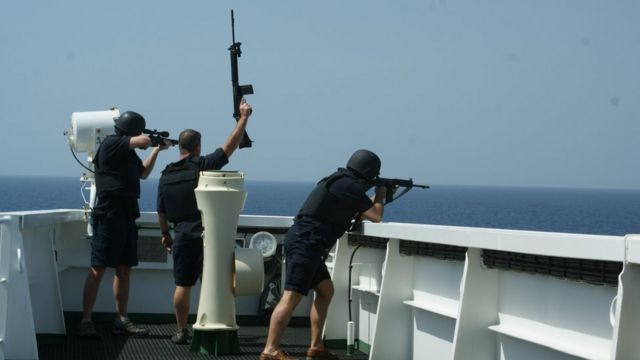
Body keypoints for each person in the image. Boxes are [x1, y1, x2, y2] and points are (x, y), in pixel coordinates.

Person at [261, 149, 387, 360]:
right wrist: (382, 194)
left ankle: (316, 347)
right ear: (369, 174)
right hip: (306, 244)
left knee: (326, 290)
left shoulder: (340, 182)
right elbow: (375, 215)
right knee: (291, 297)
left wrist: (379, 195)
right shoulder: (350, 186)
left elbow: (361, 208)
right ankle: (270, 350)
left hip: (307, 242)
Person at [156, 99, 253, 344]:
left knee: (182, 285)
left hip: (181, 235)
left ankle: (180, 330)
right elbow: (228, 148)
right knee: (216, 282)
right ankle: (215, 326)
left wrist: (165, 234)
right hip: (206, 234)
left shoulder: (166, 175)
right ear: (198, 146)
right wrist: (243, 118)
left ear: (180, 146)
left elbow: (161, 210)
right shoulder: (201, 166)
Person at [78, 111, 170, 339]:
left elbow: (144, 173)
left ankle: (121, 319)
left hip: (127, 214)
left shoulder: (127, 154)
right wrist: (155, 140)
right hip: (109, 214)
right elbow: (143, 140)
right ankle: (86, 320)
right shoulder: (112, 144)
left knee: (124, 268)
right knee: (98, 268)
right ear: (132, 130)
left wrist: (158, 150)